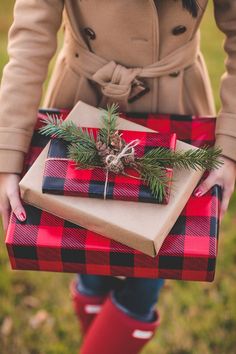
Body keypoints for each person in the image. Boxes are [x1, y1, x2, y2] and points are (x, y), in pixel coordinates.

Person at [0, 1, 236, 353]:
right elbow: (31, 35)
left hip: (174, 108)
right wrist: (8, 152)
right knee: (89, 261)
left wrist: (230, 144)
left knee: (146, 282)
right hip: (86, 104)